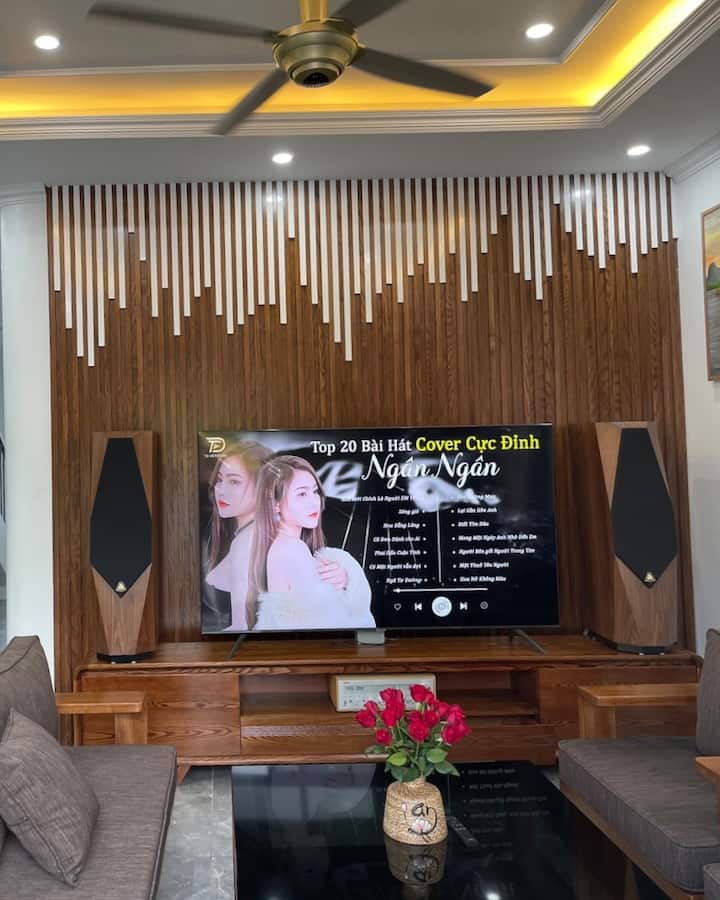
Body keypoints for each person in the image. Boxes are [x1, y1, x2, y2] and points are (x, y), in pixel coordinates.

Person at [247, 455, 375, 631]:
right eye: (302, 494)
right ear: (275, 504)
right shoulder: (292, 548)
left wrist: (346, 577)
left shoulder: (282, 546)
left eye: (315, 492)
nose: (314, 502)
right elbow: (331, 628)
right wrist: (351, 573)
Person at [204, 440, 274, 632]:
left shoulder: (247, 542)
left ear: (264, 487)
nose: (220, 490)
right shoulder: (250, 536)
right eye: (219, 480)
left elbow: (241, 628)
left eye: (234, 481)